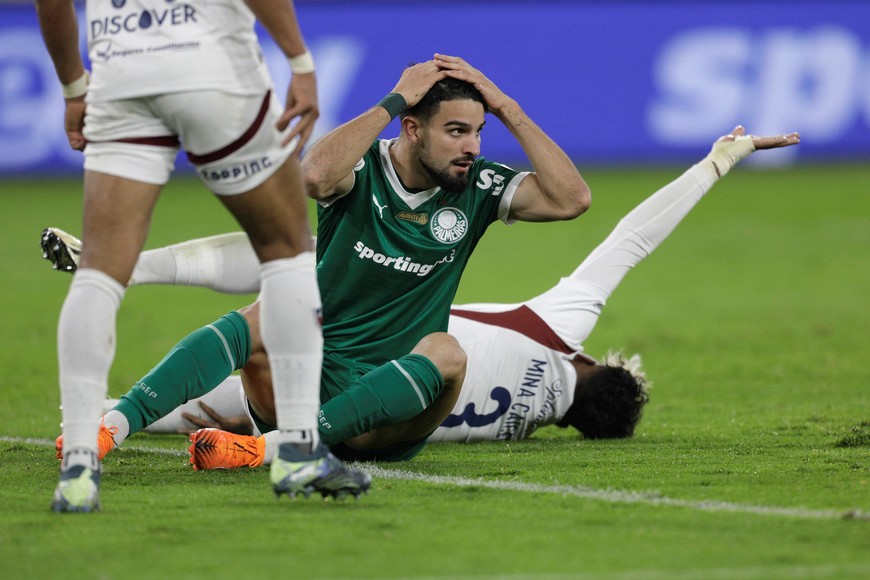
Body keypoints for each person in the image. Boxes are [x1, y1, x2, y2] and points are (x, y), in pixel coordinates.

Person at [44, 127, 800, 469]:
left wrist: (715, 163)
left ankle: (118, 407)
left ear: (596, 365)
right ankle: (244, 439)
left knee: (299, 295)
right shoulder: (513, 433)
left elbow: (630, 239)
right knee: (384, 341)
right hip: (376, 420)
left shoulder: (557, 327)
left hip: (339, 379)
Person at [52, 54, 592, 469]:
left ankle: (271, 450)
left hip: (389, 415)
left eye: (478, 131)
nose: (472, 146)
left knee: (448, 352)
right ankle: (111, 427)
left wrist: (505, 106)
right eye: (456, 131)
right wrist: (394, 98)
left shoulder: (478, 186)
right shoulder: (362, 169)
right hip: (306, 377)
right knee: (264, 315)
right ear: (411, 127)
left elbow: (572, 200)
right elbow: (312, 178)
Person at [35, 0, 370, 512]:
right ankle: (300, 451)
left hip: (123, 68)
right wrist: (300, 60)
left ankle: (79, 466)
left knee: (99, 273)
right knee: (288, 252)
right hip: (210, 61)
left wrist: (72, 88)